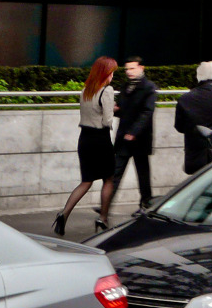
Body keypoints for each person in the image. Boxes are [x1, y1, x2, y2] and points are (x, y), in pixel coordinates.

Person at [53, 56, 117, 236]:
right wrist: (113, 110)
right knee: (109, 178)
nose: (112, 76)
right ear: (106, 73)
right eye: (111, 72)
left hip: (85, 139)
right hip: (100, 139)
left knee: (86, 181)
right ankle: (103, 218)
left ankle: (63, 214)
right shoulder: (107, 91)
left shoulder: (85, 90)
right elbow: (106, 120)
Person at [109, 56, 158, 211]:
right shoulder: (125, 86)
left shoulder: (149, 87)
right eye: (127, 69)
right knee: (115, 172)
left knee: (143, 174)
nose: (129, 72)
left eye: (132, 68)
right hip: (124, 137)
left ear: (141, 68)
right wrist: (115, 110)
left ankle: (146, 203)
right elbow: (124, 110)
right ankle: (106, 205)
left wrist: (134, 131)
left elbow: (147, 112)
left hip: (140, 138)